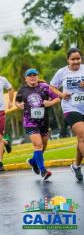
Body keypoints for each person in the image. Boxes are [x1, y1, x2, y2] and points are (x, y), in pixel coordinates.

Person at [16, 68, 60, 181]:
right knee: (38, 145)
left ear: (38, 76)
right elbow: (17, 101)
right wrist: (19, 105)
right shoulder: (22, 90)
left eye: (34, 75)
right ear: (26, 78)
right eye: (29, 76)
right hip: (29, 121)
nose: (32, 77)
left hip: (43, 121)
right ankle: (43, 171)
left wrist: (49, 103)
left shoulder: (45, 87)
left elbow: (57, 98)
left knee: (43, 146)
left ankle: (32, 162)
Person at [50, 48, 84, 181]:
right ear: (68, 60)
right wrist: (61, 95)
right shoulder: (62, 72)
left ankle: (76, 166)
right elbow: (51, 86)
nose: (76, 61)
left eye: (78, 58)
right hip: (71, 107)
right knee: (82, 135)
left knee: (81, 140)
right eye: (73, 59)